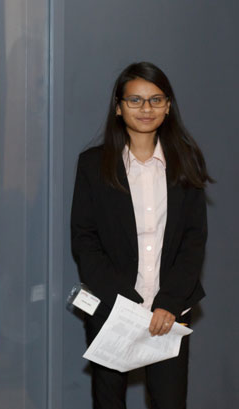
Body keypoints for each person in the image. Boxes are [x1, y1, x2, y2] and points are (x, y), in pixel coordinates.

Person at [70, 61, 213, 409]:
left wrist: (169, 303)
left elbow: (194, 241)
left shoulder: (186, 161)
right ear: (118, 107)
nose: (145, 109)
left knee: (170, 402)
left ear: (167, 106)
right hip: (113, 309)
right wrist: (127, 304)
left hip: (170, 310)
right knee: (109, 402)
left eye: (155, 99)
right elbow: (84, 240)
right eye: (135, 100)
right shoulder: (93, 165)